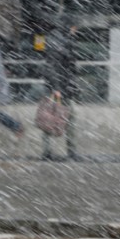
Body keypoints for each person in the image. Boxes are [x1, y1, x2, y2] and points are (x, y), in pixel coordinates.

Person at [42, 14, 80, 161]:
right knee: (53, 117)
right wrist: (56, 87)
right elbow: (52, 66)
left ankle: (54, 151)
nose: (75, 30)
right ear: (69, 26)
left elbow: (66, 66)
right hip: (58, 87)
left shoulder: (63, 39)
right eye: (74, 27)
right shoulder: (58, 41)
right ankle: (66, 151)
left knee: (53, 117)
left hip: (63, 86)